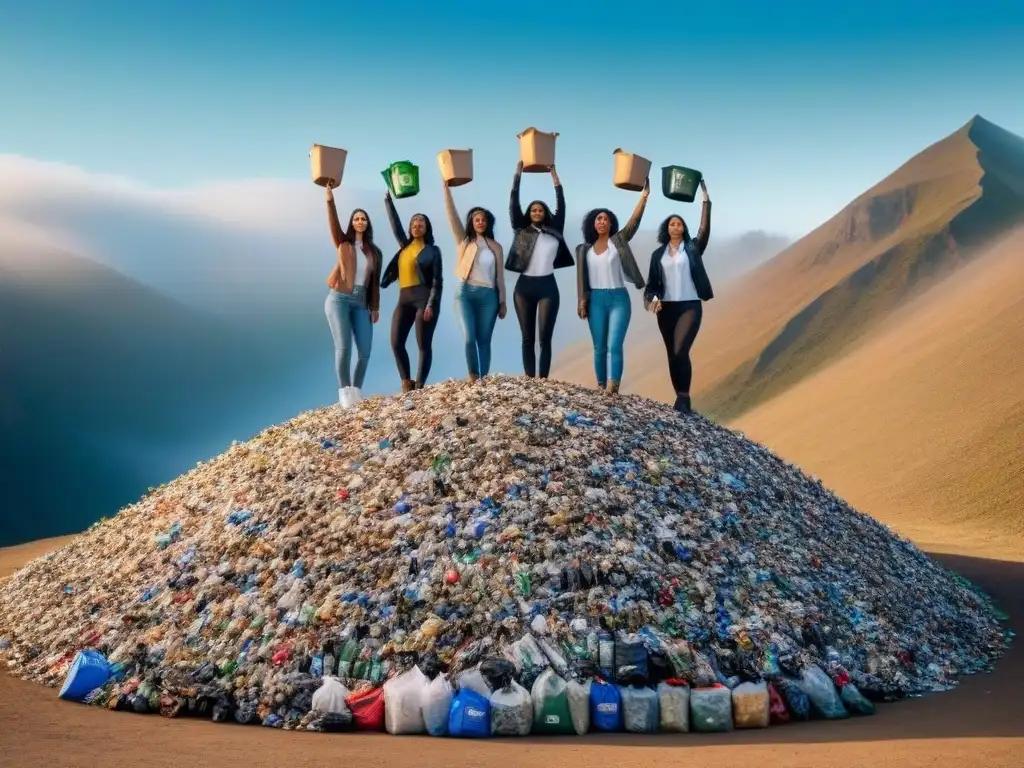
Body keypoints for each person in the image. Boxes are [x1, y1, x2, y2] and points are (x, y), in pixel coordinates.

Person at [575, 177, 651, 394]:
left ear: (611, 224)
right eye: (598, 219)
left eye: (605, 219)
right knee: (599, 346)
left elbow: (633, 222)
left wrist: (644, 197)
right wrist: (582, 301)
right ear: (592, 223)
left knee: (614, 345)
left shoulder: (618, 241)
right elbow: (581, 279)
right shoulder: (583, 249)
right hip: (596, 300)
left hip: (619, 299)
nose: (601, 222)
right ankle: (600, 386)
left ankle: (613, 387)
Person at [643, 179, 712, 414]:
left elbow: (704, 230)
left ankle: (685, 397)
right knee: (672, 354)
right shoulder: (657, 255)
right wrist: (653, 301)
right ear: (667, 228)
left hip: (690, 306)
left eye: (679, 224)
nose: (676, 227)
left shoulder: (693, 248)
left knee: (681, 350)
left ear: (684, 229)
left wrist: (706, 199)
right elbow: (651, 286)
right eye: (672, 224)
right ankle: (679, 398)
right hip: (666, 310)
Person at [505, 161, 574, 378]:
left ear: (545, 213)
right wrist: (517, 175)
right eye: (533, 209)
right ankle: (529, 378)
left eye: (540, 210)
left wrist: (554, 175)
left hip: (548, 287)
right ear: (529, 213)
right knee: (527, 337)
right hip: (524, 287)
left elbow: (561, 204)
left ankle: (543, 379)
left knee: (545, 337)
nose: (536, 212)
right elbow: (513, 204)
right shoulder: (520, 228)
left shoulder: (555, 229)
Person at [324, 182, 382, 409]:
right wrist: (329, 199)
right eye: (356, 218)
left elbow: (374, 283)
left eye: (363, 219)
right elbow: (333, 223)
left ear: (368, 224)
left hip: (361, 302)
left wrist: (375, 307)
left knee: (365, 350)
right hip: (339, 298)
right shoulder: (343, 242)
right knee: (344, 348)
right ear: (352, 222)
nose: (360, 221)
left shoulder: (375, 252)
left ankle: (356, 390)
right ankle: (344, 392)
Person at [442, 180, 507, 381]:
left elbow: (500, 277)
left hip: (489, 296)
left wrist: (503, 302)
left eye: (483, 220)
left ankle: (484, 378)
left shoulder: (496, 247)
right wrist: (446, 190)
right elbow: (451, 216)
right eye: (476, 219)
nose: (480, 222)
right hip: (465, 293)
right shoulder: (464, 241)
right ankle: (472, 374)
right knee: (470, 337)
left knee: (484, 340)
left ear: (487, 223)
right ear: (471, 222)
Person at [380, 189, 443, 392]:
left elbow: (437, 281)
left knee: (423, 344)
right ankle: (407, 382)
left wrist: (431, 304)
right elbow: (395, 226)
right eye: (414, 222)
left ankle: (420, 384)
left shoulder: (433, 251)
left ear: (426, 228)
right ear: (410, 228)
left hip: (424, 299)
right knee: (396, 342)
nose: (417, 225)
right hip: (404, 299)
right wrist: (388, 202)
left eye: (421, 222)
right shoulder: (404, 247)